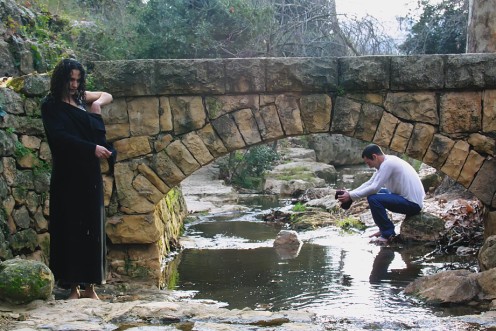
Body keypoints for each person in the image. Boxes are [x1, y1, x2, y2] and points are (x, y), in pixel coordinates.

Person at [41, 58, 114, 299]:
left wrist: (97, 106)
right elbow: (60, 138)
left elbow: (106, 94)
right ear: (60, 79)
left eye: (77, 79)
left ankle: (91, 287)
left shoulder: (82, 99)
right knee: (69, 226)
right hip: (67, 173)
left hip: (88, 172)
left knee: (92, 225)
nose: (74, 84)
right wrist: (91, 148)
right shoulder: (50, 105)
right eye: (70, 79)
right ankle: (72, 287)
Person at [337, 144, 425, 243]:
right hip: (405, 198)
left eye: (368, 162)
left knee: (374, 198)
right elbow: (370, 183)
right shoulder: (386, 162)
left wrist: (351, 197)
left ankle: (388, 233)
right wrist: (350, 193)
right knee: (374, 195)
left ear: (375, 157)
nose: (368, 166)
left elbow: (374, 188)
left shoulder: (388, 164)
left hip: (413, 204)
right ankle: (383, 229)